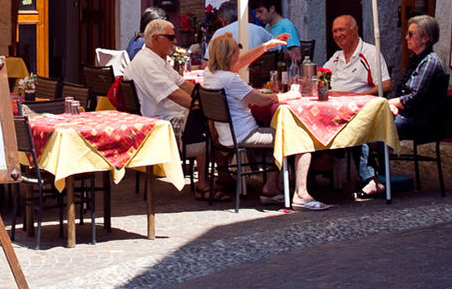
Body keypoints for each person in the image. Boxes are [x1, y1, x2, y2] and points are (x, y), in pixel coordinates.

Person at [203, 32, 328, 210]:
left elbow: (241, 65)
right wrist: (290, 95)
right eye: (236, 52)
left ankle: (271, 186)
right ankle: (301, 195)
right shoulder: (230, 79)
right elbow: (263, 100)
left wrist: (266, 46)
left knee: (279, 131)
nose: (239, 55)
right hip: (244, 134)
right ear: (229, 55)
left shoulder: (211, 74)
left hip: (227, 135)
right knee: (300, 137)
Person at [125, 18, 218, 200]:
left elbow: (182, 84)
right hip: (160, 122)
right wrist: (203, 106)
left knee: (212, 115)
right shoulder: (146, 63)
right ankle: (204, 184)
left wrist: (207, 97)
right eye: (170, 37)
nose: (175, 41)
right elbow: (175, 94)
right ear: (156, 38)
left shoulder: (157, 59)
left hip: (167, 115)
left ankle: (220, 176)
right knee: (207, 119)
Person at [321, 15, 393, 199]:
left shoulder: (369, 53)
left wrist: (359, 97)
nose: (337, 35)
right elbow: (320, 76)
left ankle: (369, 179)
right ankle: (312, 174)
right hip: (335, 109)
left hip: (360, 110)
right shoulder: (336, 57)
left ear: (355, 30)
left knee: (356, 127)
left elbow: (386, 85)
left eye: (341, 30)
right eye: (334, 31)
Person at [390, 14, 449, 141]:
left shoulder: (429, 62)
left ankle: (372, 160)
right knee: (366, 123)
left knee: (370, 126)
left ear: (425, 38)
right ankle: (376, 160)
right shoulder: (417, 59)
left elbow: (413, 99)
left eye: (411, 34)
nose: (406, 38)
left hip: (419, 122)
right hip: (408, 116)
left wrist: (389, 102)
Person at [251, 0, 301, 66]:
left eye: (260, 11)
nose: (257, 16)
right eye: (256, 12)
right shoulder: (267, 26)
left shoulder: (287, 26)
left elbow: (298, 57)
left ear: (272, 8)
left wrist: (282, 52)